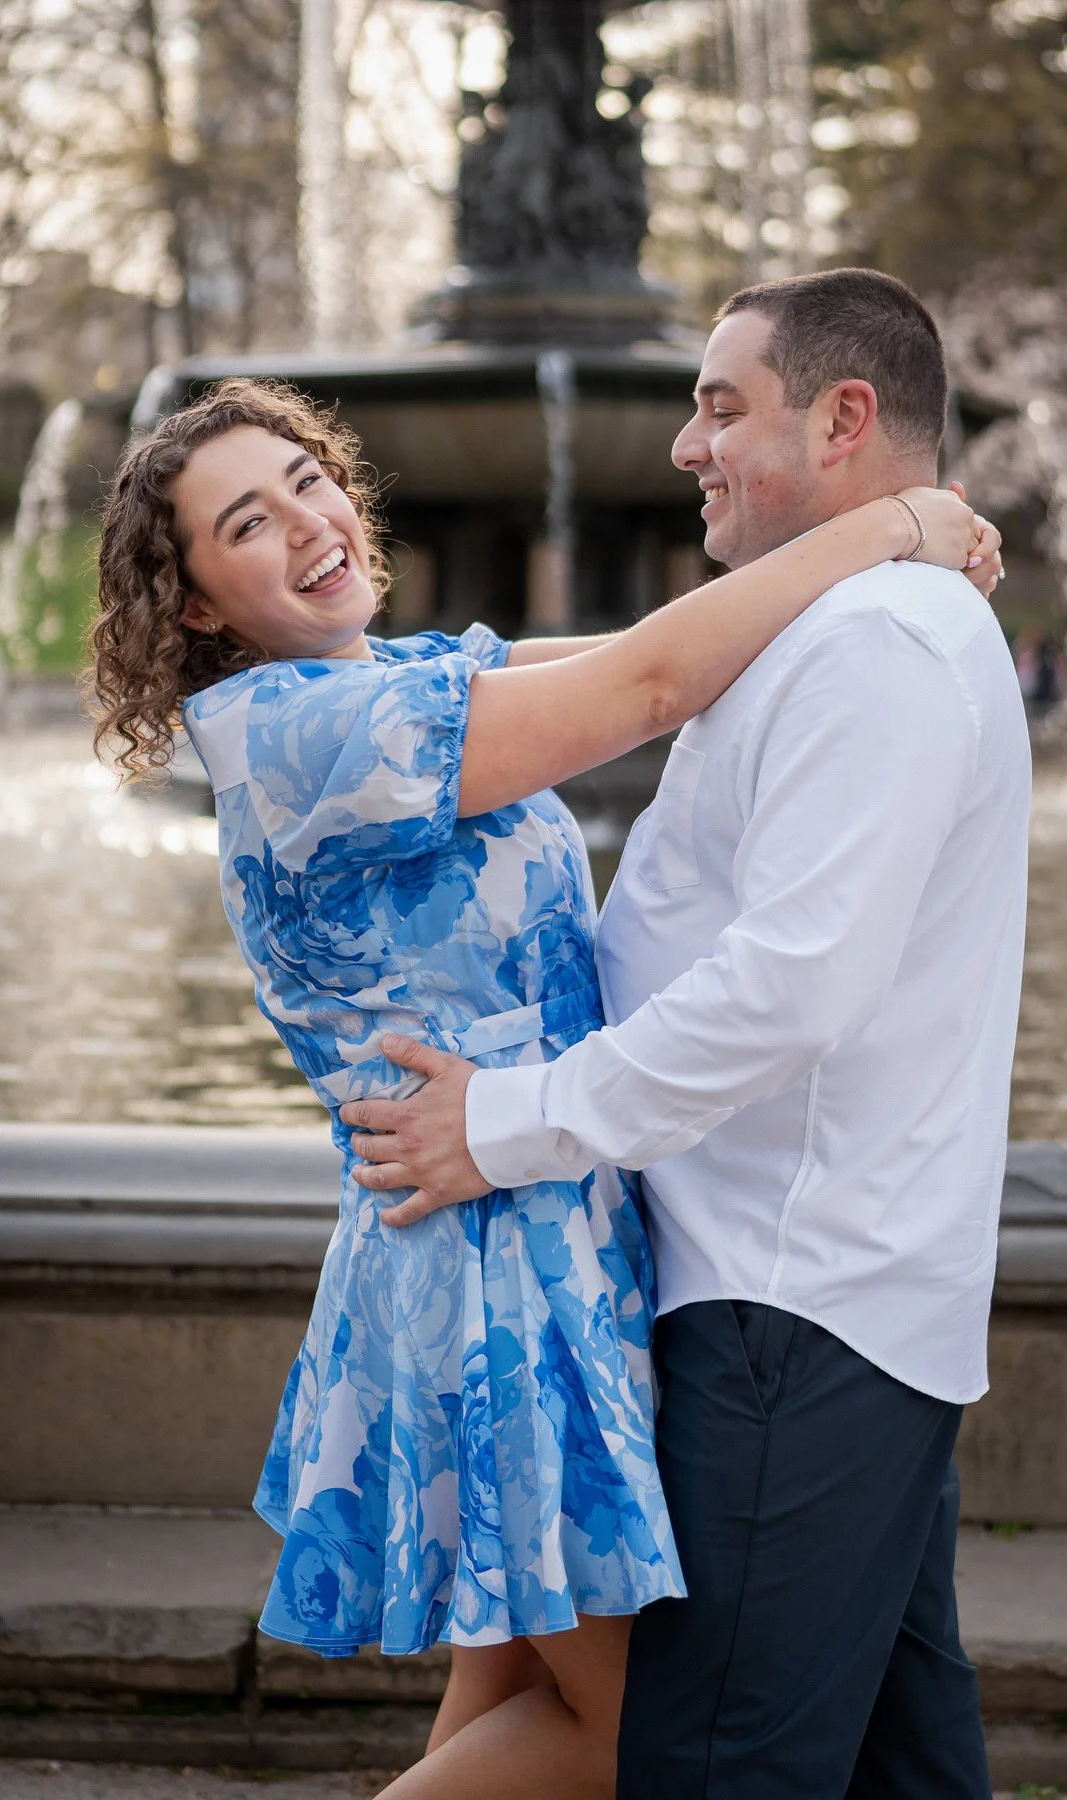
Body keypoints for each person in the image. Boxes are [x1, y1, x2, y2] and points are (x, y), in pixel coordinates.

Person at [90, 368, 1000, 1800]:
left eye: (310, 482)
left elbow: (655, 643)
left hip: (530, 1215)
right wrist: (895, 522)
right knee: (644, 1738)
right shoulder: (307, 736)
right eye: (248, 525)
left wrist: (862, 566)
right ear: (197, 605)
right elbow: (649, 688)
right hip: (497, 1254)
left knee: (511, 1696)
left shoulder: (388, 682)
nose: (310, 525)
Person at [343, 268, 1028, 1799]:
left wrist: (500, 1122)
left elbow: (793, 983)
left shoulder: (882, 651)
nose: (683, 445)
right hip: (805, 1293)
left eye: (724, 407)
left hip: (785, 1313)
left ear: (845, 419)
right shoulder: (833, 620)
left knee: (712, 1767)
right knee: (894, 1774)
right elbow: (602, 674)